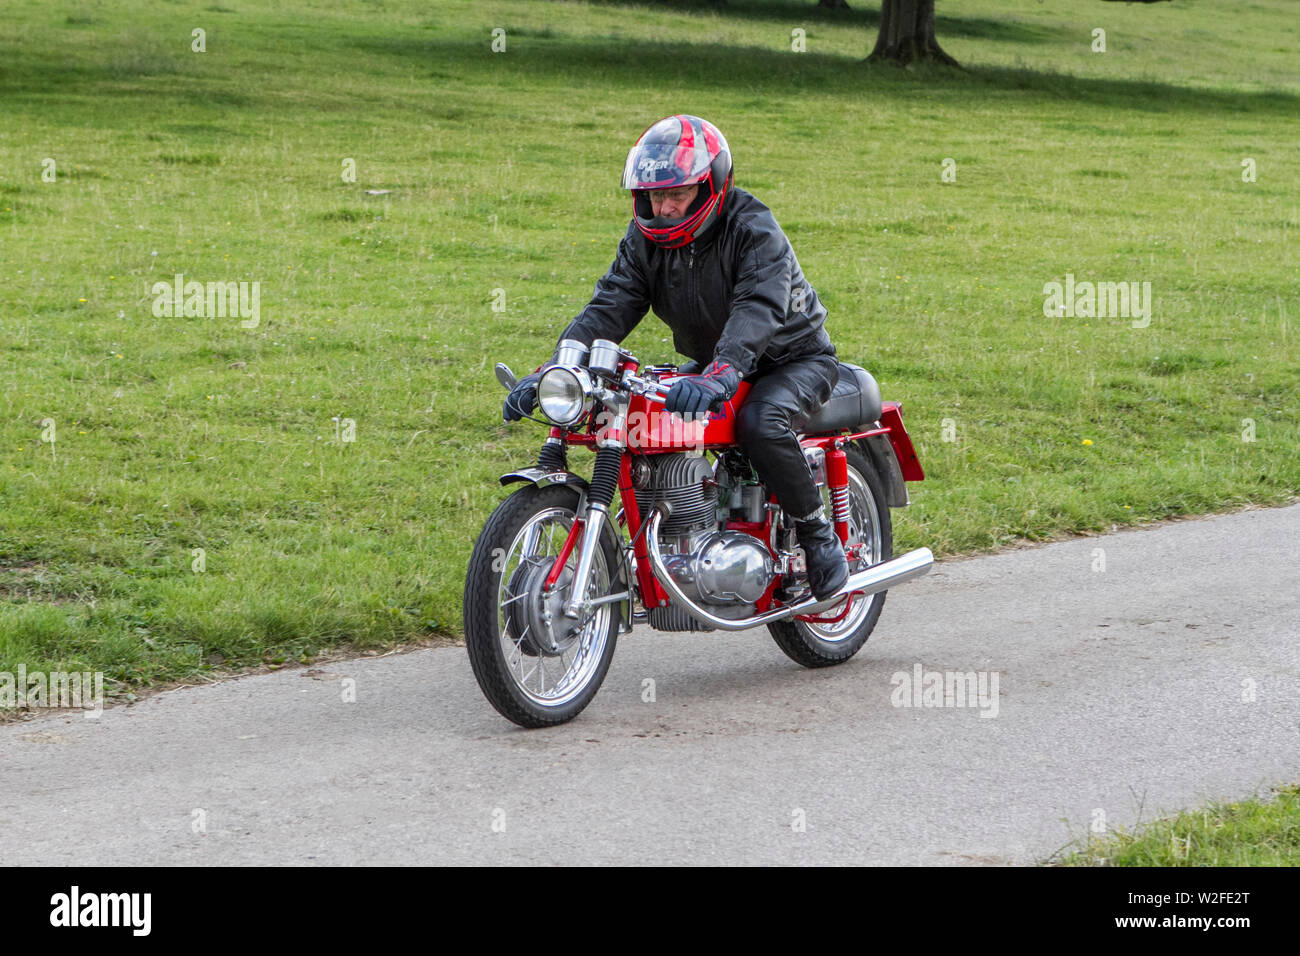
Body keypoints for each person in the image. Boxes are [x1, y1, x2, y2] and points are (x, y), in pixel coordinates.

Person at [504, 114, 848, 600]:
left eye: (676, 195)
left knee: (759, 422)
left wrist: (721, 376)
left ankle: (817, 535)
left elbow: (758, 309)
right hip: (715, 364)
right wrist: (554, 371)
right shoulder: (645, 238)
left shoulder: (753, 230)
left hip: (793, 359)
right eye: (653, 196)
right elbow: (611, 302)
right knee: (648, 419)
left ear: (712, 187)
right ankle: (688, 529)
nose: (663, 208)